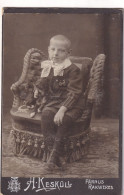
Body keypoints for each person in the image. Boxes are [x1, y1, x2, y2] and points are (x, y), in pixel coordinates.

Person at [40, 35, 85, 170]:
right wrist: (39, 87)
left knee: (64, 120)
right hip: (54, 102)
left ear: (68, 53)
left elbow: (75, 93)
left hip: (73, 104)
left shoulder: (73, 70)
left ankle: (54, 156)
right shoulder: (48, 67)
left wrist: (62, 109)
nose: (56, 53)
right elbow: (44, 85)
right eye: (53, 49)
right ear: (48, 50)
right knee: (46, 114)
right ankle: (55, 153)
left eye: (61, 50)